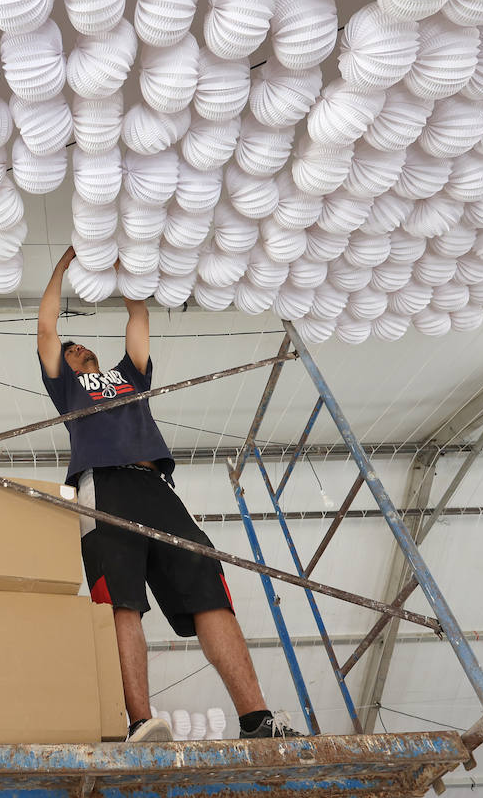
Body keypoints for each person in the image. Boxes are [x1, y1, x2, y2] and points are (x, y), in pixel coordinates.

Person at [36, 247, 300, 742]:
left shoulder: (128, 375)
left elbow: (138, 315)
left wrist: (122, 274)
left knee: (205, 579)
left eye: (79, 346)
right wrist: (63, 268)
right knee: (121, 599)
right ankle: (139, 721)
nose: (73, 349)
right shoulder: (67, 390)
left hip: (155, 484)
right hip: (102, 485)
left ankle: (256, 719)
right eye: (67, 352)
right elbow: (46, 329)